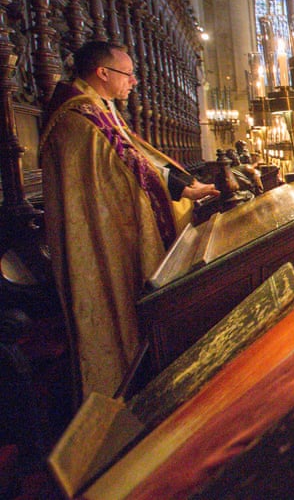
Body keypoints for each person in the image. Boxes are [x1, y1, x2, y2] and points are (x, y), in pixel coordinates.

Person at [41, 41, 218, 398]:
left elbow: (139, 158)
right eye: (128, 73)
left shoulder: (98, 108)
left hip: (112, 226)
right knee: (113, 314)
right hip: (100, 243)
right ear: (102, 73)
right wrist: (185, 191)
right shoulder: (80, 118)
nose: (134, 82)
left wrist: (184, 185)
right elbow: (130, 170)